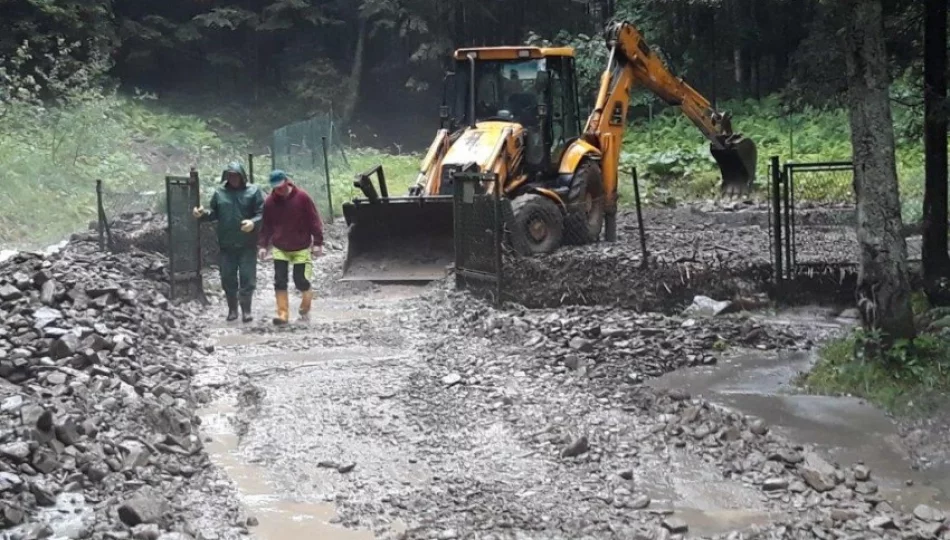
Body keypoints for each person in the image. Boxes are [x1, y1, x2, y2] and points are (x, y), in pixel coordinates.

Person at [193, 162, 264, 322]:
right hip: (226, 244)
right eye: (230, 175)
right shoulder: (220, 193)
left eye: (236, 175)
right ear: (226, 176)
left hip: (247, 244)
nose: (233, 179)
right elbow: (214, 213)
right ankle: (232, 309)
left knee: (247, 278)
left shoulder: (253, 192)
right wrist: (202, 214)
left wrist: (253, 223)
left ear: (242, 176)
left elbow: (262, 213)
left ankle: (246, 310)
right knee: (227, 278)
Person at [258, 170, 324, 325]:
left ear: (287, 181)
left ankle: (306, 301)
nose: (279, 191)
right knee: (279, 280)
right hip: (280, 247)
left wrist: (318, 242)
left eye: (281, 187)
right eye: (276, 188)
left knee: (300, 280)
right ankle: (282, 314)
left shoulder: (302, 197)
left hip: (301, 246)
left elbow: (314, 220)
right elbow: (266, 226)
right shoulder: (269, 202)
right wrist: (262, 245)